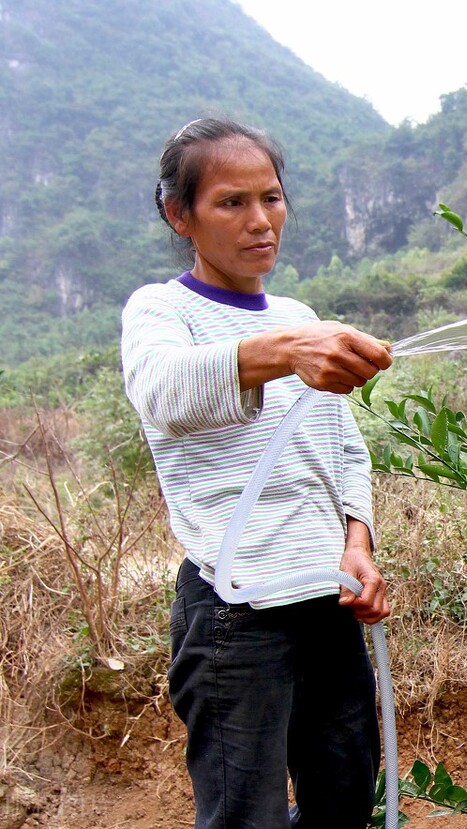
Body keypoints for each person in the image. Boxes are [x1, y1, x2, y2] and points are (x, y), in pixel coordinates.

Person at [121, 117, 394, 828]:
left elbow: (344, 451)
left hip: (324, 598)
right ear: (179, 214)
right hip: (233, 611)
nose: (259, 221)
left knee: (343, 796)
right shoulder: (161, 311)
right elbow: (164, 392)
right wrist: (282, 350)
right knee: (247, 813)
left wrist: (356, 544)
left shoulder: (299, 317)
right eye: (231, 203)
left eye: (270, 198)